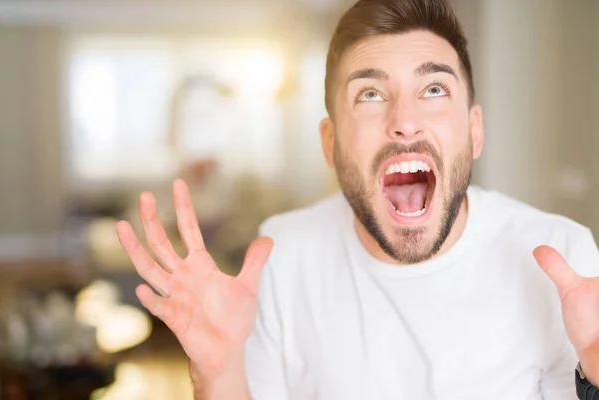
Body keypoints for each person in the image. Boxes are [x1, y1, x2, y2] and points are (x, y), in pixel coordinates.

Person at [115, 0, 599, 398]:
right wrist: (217, 373)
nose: (404, 120)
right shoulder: (283, 255)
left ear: (474, 131)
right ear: (330, 144)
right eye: (369, 94)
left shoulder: (562, 257)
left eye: (433, 88)